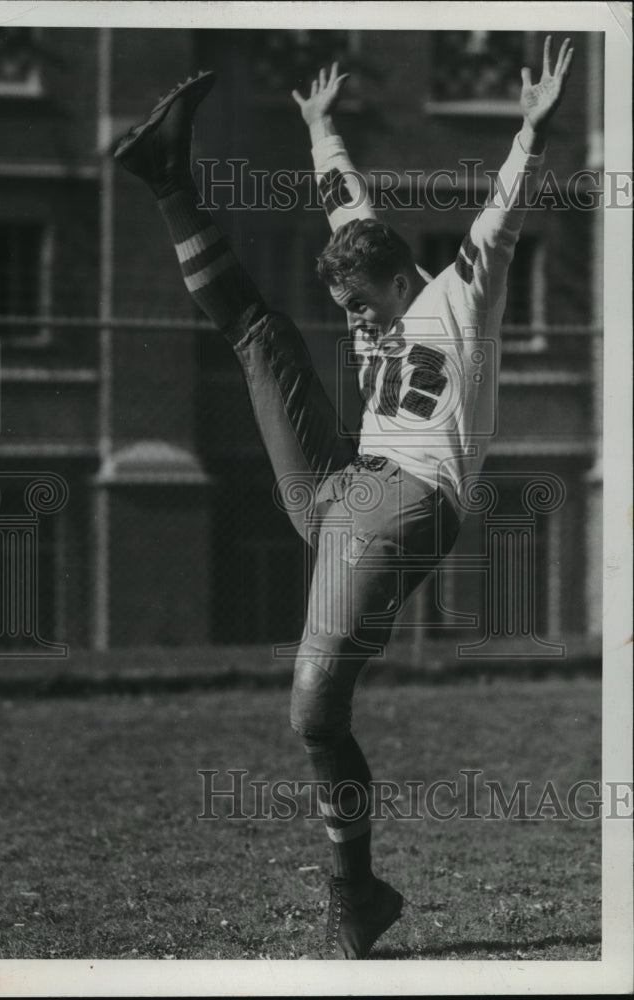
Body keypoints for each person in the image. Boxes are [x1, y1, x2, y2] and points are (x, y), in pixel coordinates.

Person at [113, 36, 573, 959]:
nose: (357, 322)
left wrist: (528, 133)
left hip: (409, 497)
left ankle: (353, 895)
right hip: (336, 488)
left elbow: (501, 217)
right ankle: (166, 176)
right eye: (351, 309)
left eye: (365, 304)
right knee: (258, 332)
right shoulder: (367, 270)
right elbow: (342, 201)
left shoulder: (458, 300)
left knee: (314, 711)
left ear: (404, 278)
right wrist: (321, 128)